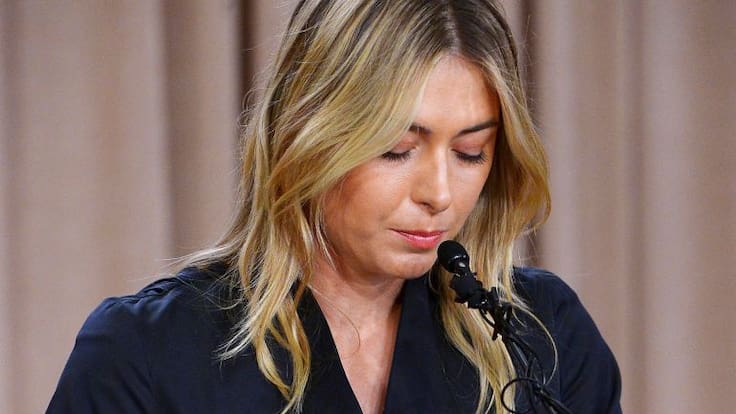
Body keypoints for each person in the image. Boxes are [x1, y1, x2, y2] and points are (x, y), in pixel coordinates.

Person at [47, 1, 622, 413]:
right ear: (308, 137)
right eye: (396, 149)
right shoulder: (143, 352)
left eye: (470, 153)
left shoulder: (542, 333)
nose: (440, 194)